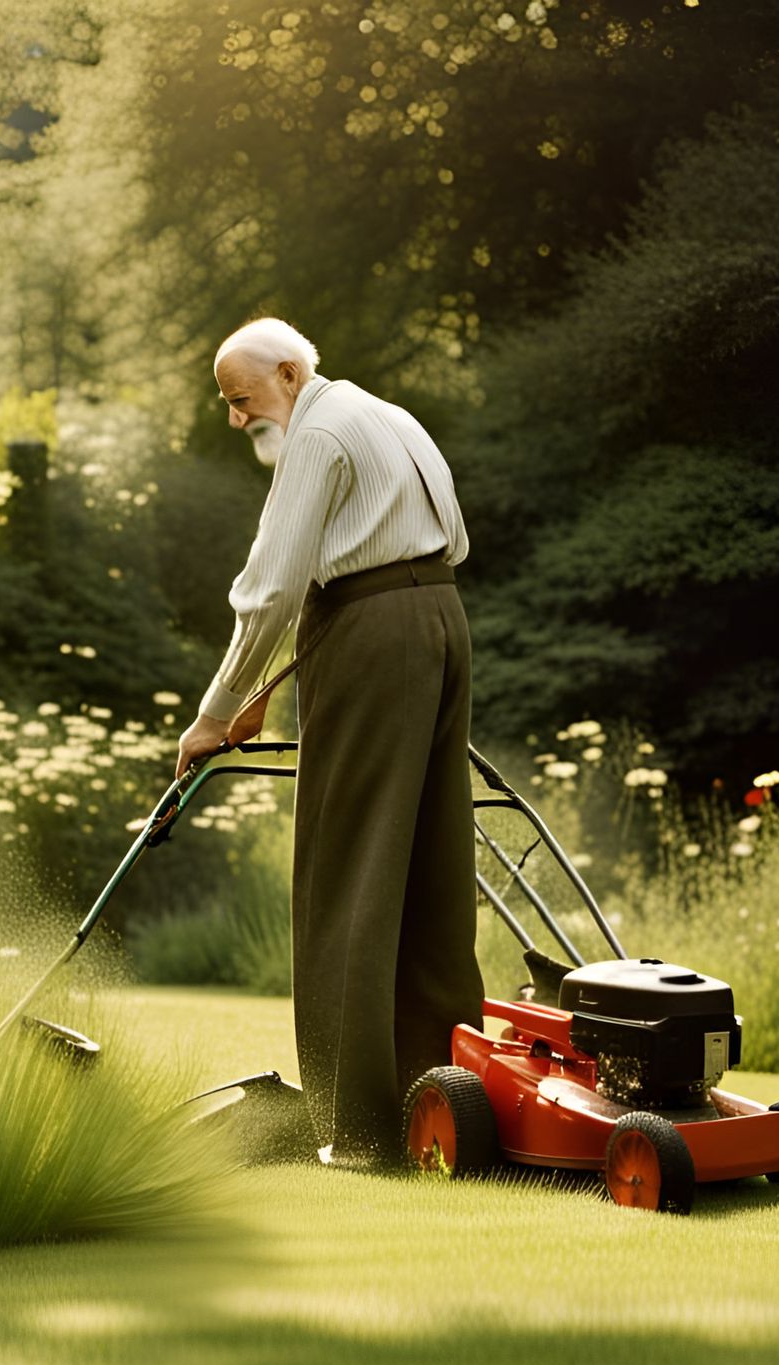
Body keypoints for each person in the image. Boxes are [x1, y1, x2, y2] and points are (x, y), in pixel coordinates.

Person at [176, 317, 484, 1169]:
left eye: (241, 398)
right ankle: (447, 1107)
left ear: (288, 373)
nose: (236, 417)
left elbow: (273, 587)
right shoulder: (387, 416)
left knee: (345, 867)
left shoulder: (316, 434)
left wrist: (215, 711)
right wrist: (265, 694)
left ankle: (356, 1128)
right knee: (430, 870)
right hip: (440, 621)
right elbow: (434, 546)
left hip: (371, 635)